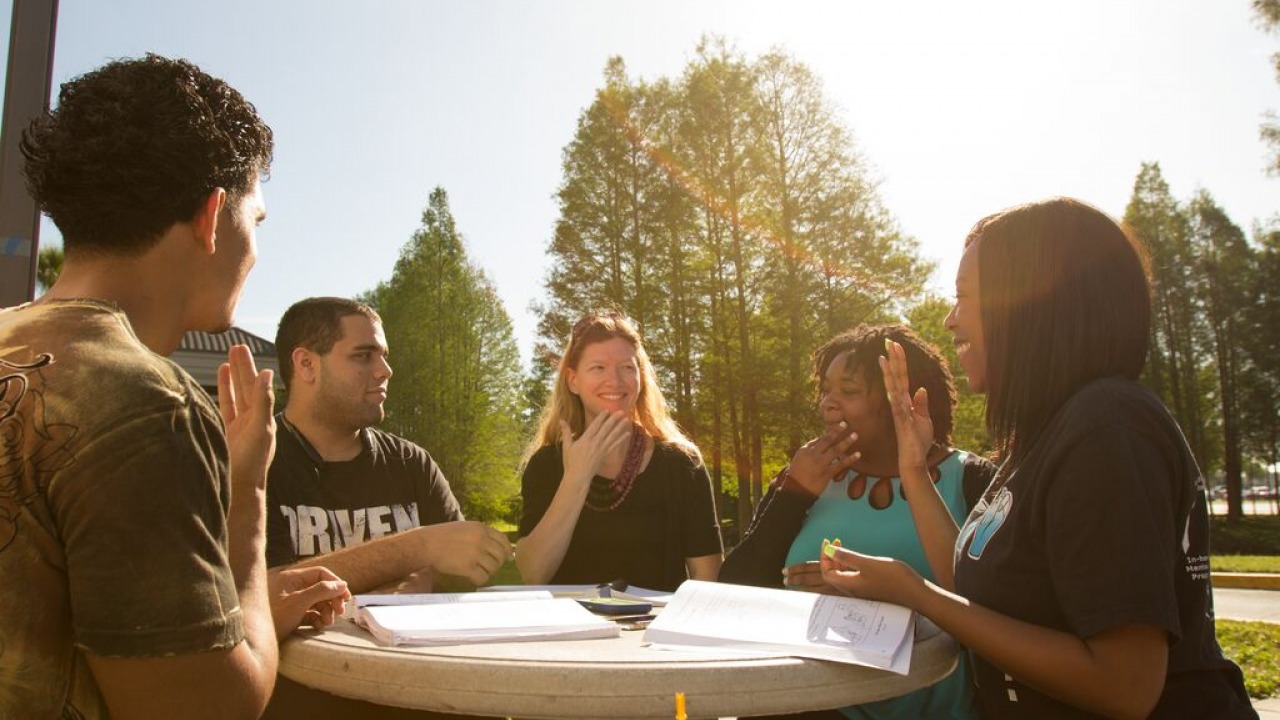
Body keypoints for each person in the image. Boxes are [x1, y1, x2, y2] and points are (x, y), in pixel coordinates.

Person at [0, 55, 349, 720]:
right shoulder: (143, 404)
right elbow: (214, 708)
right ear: (213, 215)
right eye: (259, 219)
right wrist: (246, 497)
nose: (256, 246)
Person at [821, 198, 1257, 719]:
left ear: (1029, 305)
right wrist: (914, 470)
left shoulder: (1106, 426)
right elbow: (978, 594)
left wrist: (919, 595)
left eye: (964, 297)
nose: (951, 319)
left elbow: (1126, 685)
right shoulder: (1047, 433)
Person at [721, 324, 996, 720]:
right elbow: (731, 594)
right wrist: (791, 495)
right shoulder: (806, 475)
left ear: (899, 400)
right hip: (803, 704)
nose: (827, 405)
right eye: (825, 390)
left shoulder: (972, 479)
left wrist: (887, 597)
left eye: (848, 392)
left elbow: (995, 617)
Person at [266, 296, 514, 592]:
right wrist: (417, 548)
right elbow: (262, 593)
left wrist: (435, 574)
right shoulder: (251, 463)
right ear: (306, 364)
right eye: (363, 355)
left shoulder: (411, 464)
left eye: (384, 355)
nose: (385, 370)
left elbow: (465, 575)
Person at [516, 310, 723, 591]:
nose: (614, 381)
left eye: (627, 367)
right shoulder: (546, 465)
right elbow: (532, 573)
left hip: (652, 631)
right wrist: (576, 479)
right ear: (573, 381)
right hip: (572, 631)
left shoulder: (681, 465)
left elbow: (708, 581)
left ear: (640, 378)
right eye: (598, 368)